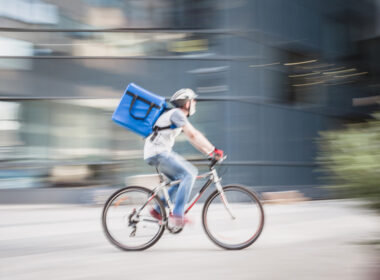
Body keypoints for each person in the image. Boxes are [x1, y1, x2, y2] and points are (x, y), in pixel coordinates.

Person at [144, 88, 223, 228]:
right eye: (193, 100)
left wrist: (210, 154)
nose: (195, 103)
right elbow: (194, 135)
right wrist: (214, 149)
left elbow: (193, 140)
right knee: (190, 173)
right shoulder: (177, 114)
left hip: (156, 152)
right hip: (158, 152)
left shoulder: (177, 116)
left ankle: (157, 210)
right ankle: (178, 215)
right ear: (186, 103)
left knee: (179, 180)